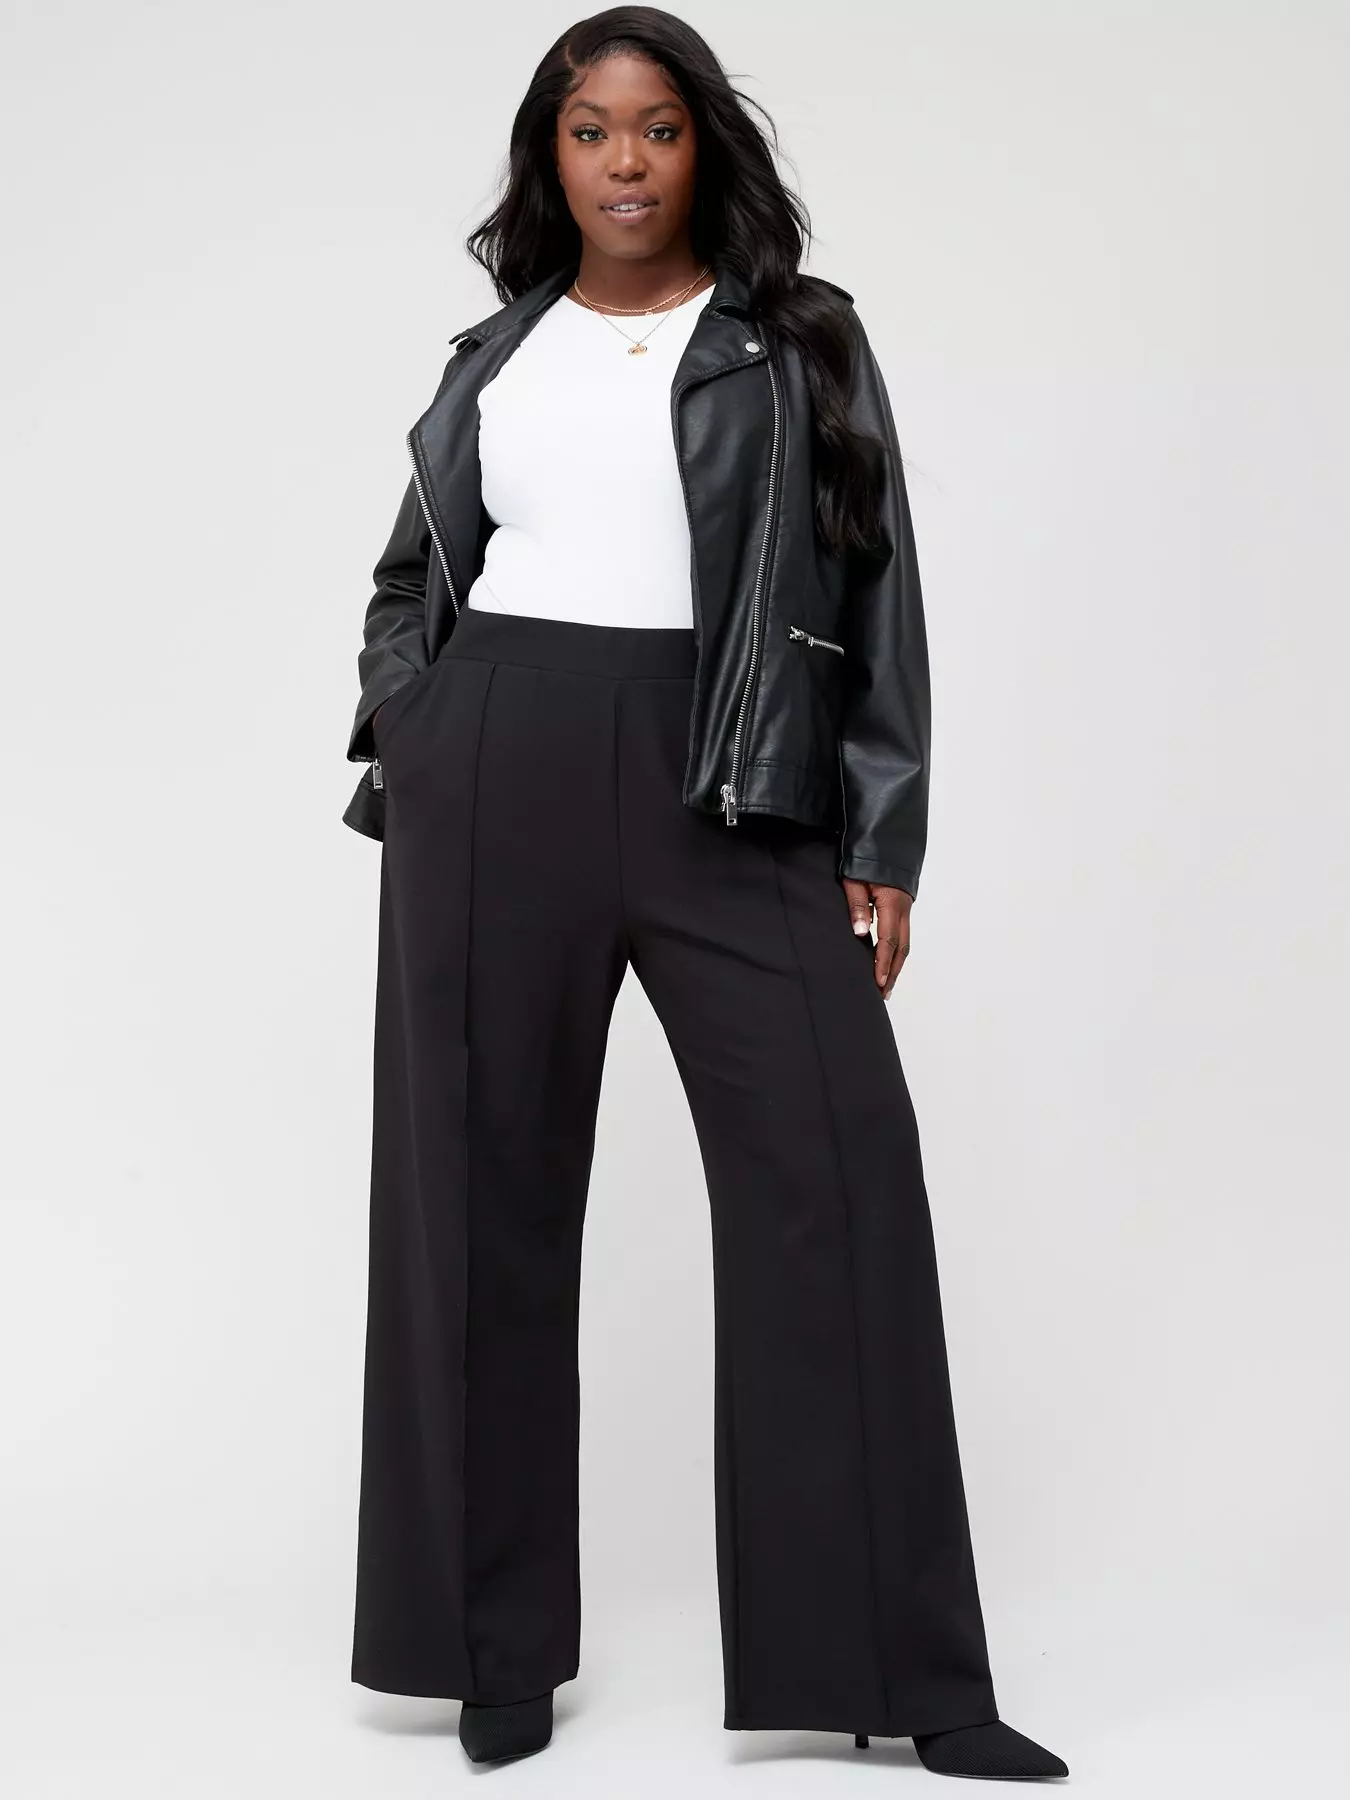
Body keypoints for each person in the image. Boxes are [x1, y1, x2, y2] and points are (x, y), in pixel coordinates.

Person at [341, 6, 1068, 1781]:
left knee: (835, 1190)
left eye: (656, 128)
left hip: (729, 773)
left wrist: (879, 832)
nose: (624, 161)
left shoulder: (795, 340)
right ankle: (485, 1650)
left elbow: (873, 581)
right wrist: (413, 722)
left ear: (701, 149)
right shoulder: (495, 354)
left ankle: (906, 1674)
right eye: (590, 129)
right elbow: (413, 569)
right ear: (551, 154)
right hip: (493, 762)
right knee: (473, 1201)